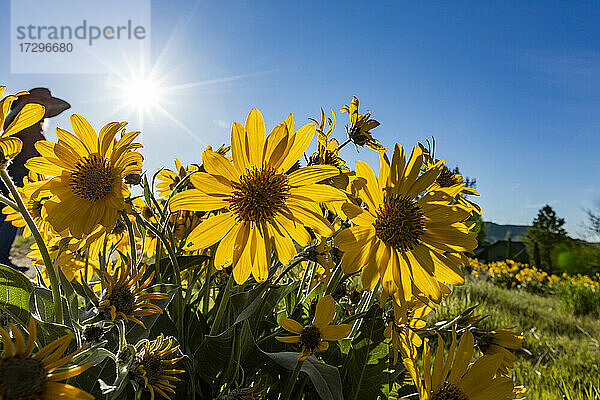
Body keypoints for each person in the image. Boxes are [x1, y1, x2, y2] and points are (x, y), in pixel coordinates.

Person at [0, 88, 70, 272]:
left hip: (14, 166)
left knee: (10, 214)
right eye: (44, 103)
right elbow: (33, 143)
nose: (46, 108)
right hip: (17, 167)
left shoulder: (19, 116)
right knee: (12, 214)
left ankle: (3, 258)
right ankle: (2, 260)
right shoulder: (27, 116)